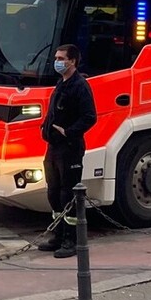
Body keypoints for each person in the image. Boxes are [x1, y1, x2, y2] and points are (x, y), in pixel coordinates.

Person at [38, 44, 97, 258]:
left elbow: (90, 117)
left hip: (70, 148)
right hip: (53, 148)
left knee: (68, 194)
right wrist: (45, 127)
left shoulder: (80, 86)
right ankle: (57, 234)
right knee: (53, 192)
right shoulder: (60, 84)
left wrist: (69, 132)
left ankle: (70, 240)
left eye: (61, 58)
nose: (57, 61)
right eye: (56, 57)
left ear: (72, 61)